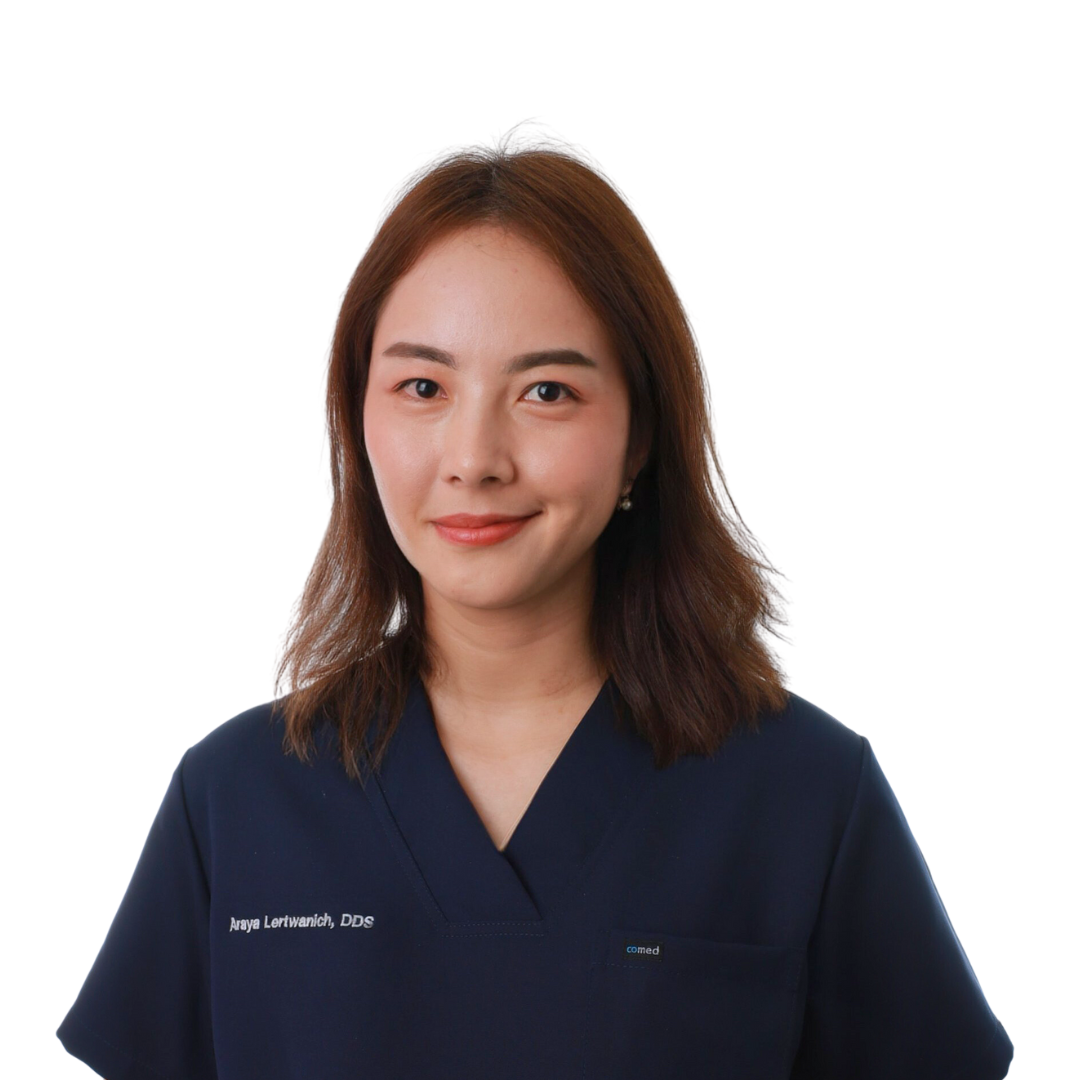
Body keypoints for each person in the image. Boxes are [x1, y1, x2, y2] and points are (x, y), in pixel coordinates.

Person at [56, 137, 1014, 1079]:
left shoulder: (805, 797)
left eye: (547, 391)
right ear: (358, 421)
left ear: (641, 436)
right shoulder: (236, 799)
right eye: (422, 386)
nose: (474, 457)